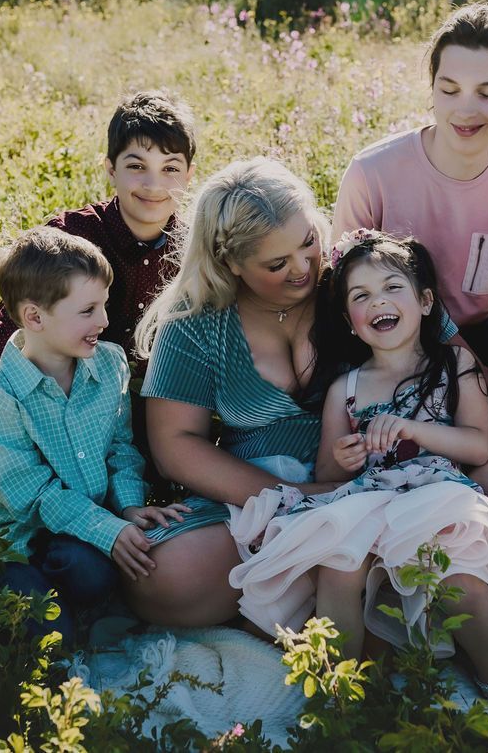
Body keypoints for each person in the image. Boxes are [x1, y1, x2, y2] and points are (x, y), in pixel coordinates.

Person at [227, 230, 488, 706]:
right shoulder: (346, 388)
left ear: (426, 301)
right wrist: (347, 456)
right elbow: (330, 468)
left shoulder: (454, 365)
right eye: (361, 296)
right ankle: (344, 693)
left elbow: (478, 444)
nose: (378, 302)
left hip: (443, 499)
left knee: (460, 581)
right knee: (339, 566)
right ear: (349, 320)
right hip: (372, 504)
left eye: (393, 288)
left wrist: (416, 431)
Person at [0, 90, 196, 477]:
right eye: (136, 166)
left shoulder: (194, 249)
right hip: (68, 404)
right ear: (111, 169)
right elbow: (15, 318)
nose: (153, 184)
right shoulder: (75, 236)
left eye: (170, 168)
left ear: (189, 175)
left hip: (155, 410)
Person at [126, 157, 341, 627]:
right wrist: (293, 498)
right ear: (231, 263)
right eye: (277, 263)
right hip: (257, 493)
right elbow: (175, 447)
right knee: (162, 577)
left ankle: (296, 598)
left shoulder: (352, 279)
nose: (304, 268)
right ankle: (314, 592)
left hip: (366, 477)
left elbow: (453, 359)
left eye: (309, 243)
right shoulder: (197, 320)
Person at [0, 227, 188, 644]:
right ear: (35, 317)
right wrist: (107, 530)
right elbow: (31, 495)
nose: (104, 321)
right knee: (52, 636)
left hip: (76, 531)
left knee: (93, 572)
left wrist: (126, 507)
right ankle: (60, 618)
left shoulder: (108, 365)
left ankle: (88, 605)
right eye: (88, 310)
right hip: (15, 538)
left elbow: (121, 447)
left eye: (103, 305)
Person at [333, 1, 488, 368]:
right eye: (449, 89)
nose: (465, 110)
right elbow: (342, 296)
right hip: (388, 347)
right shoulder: (371, 172)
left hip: (477, 338)